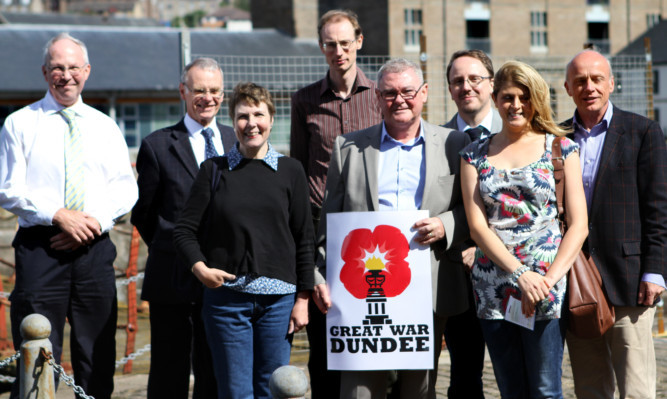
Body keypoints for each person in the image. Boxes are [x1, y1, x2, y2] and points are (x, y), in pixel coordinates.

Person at [313, 58, 470, 399]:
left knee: (418, 390)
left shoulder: (454, 143)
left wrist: (445, 225)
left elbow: (472, 209)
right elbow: (329, 222)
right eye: (389, 93)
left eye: (408, 91)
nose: (399, 100)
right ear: (377, 98)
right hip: (358, 294)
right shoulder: (349, 148)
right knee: (359, 391)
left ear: (424, 93)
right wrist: (319, 275)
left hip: (427, 287)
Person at [0, 32, 138, 399]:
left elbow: (126, 188)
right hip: (40, 250)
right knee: (36, 351)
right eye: (58, 68)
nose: (66, 75)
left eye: (73, 67)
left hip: (94, 250)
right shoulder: (19, 123)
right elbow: (8, 189)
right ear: (45, 73)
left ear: (87, 71)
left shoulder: (105, 125)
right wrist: (58, 215)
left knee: (97, 354)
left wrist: (89, 223)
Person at [173, 82, 314, 399]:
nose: (251, 123)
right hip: (227, 303)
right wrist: (200, 269)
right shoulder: (214, 170)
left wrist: (303, 299)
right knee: (236, 393)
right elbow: (183, 230)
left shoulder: (291, 171)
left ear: (272, 119)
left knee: (274, 389)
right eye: (242, 115)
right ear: (232, 120)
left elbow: (304, 237)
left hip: (279, 303)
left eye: (258, 114)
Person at [459, 60, 588, 398]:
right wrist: (519, 275)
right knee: (511, 390)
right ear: (495, 99)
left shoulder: (560, 148)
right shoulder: (473, 154)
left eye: (524, 97)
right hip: (493, 286)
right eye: (507, 97)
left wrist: (545, 281)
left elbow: (579, 225)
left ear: (537, 99)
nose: (516, 105)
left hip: (546, 286)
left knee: (546, 390)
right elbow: (477, 226)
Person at [563, 49, 667, 399]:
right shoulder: (555, 138)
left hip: (629, 280)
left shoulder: (643, 132)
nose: (588, 86)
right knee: (590, 387)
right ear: (567, 87)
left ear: (611, 83)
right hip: (576, 281)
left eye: (595, 79)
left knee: (636, 387)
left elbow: (658, 208)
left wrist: (654, 271)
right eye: (580, 80)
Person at [131, 57, 236, 399]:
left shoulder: (237, 141)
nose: (208, 98)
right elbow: (144, 215)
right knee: (168, 371)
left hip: (224, 279)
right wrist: (182, 252)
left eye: (215, 90)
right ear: (183, 91)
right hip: (172, 279)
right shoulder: (157, 146)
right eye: (200, 90)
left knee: (216, 369)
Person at [290, 9, 382, 398]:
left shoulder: (381, 95)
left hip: (370, 223)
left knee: (371, 324)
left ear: (359, 41)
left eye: (345, 43)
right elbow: (297, 166)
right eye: (331, 44)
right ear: (321, 46)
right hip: (319, 225)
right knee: (324, 330)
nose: (339, 51)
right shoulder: (305, 101)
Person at [440, 49, 503, 399]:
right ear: (449, 89)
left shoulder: (517, 132)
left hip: (513, 270)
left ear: (491, 84)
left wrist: (485, 245)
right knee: (464, 378)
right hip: (460, 275)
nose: (467, 86)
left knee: (520, 373)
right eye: (458, 81)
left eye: (475, 78)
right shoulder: (438, 141)